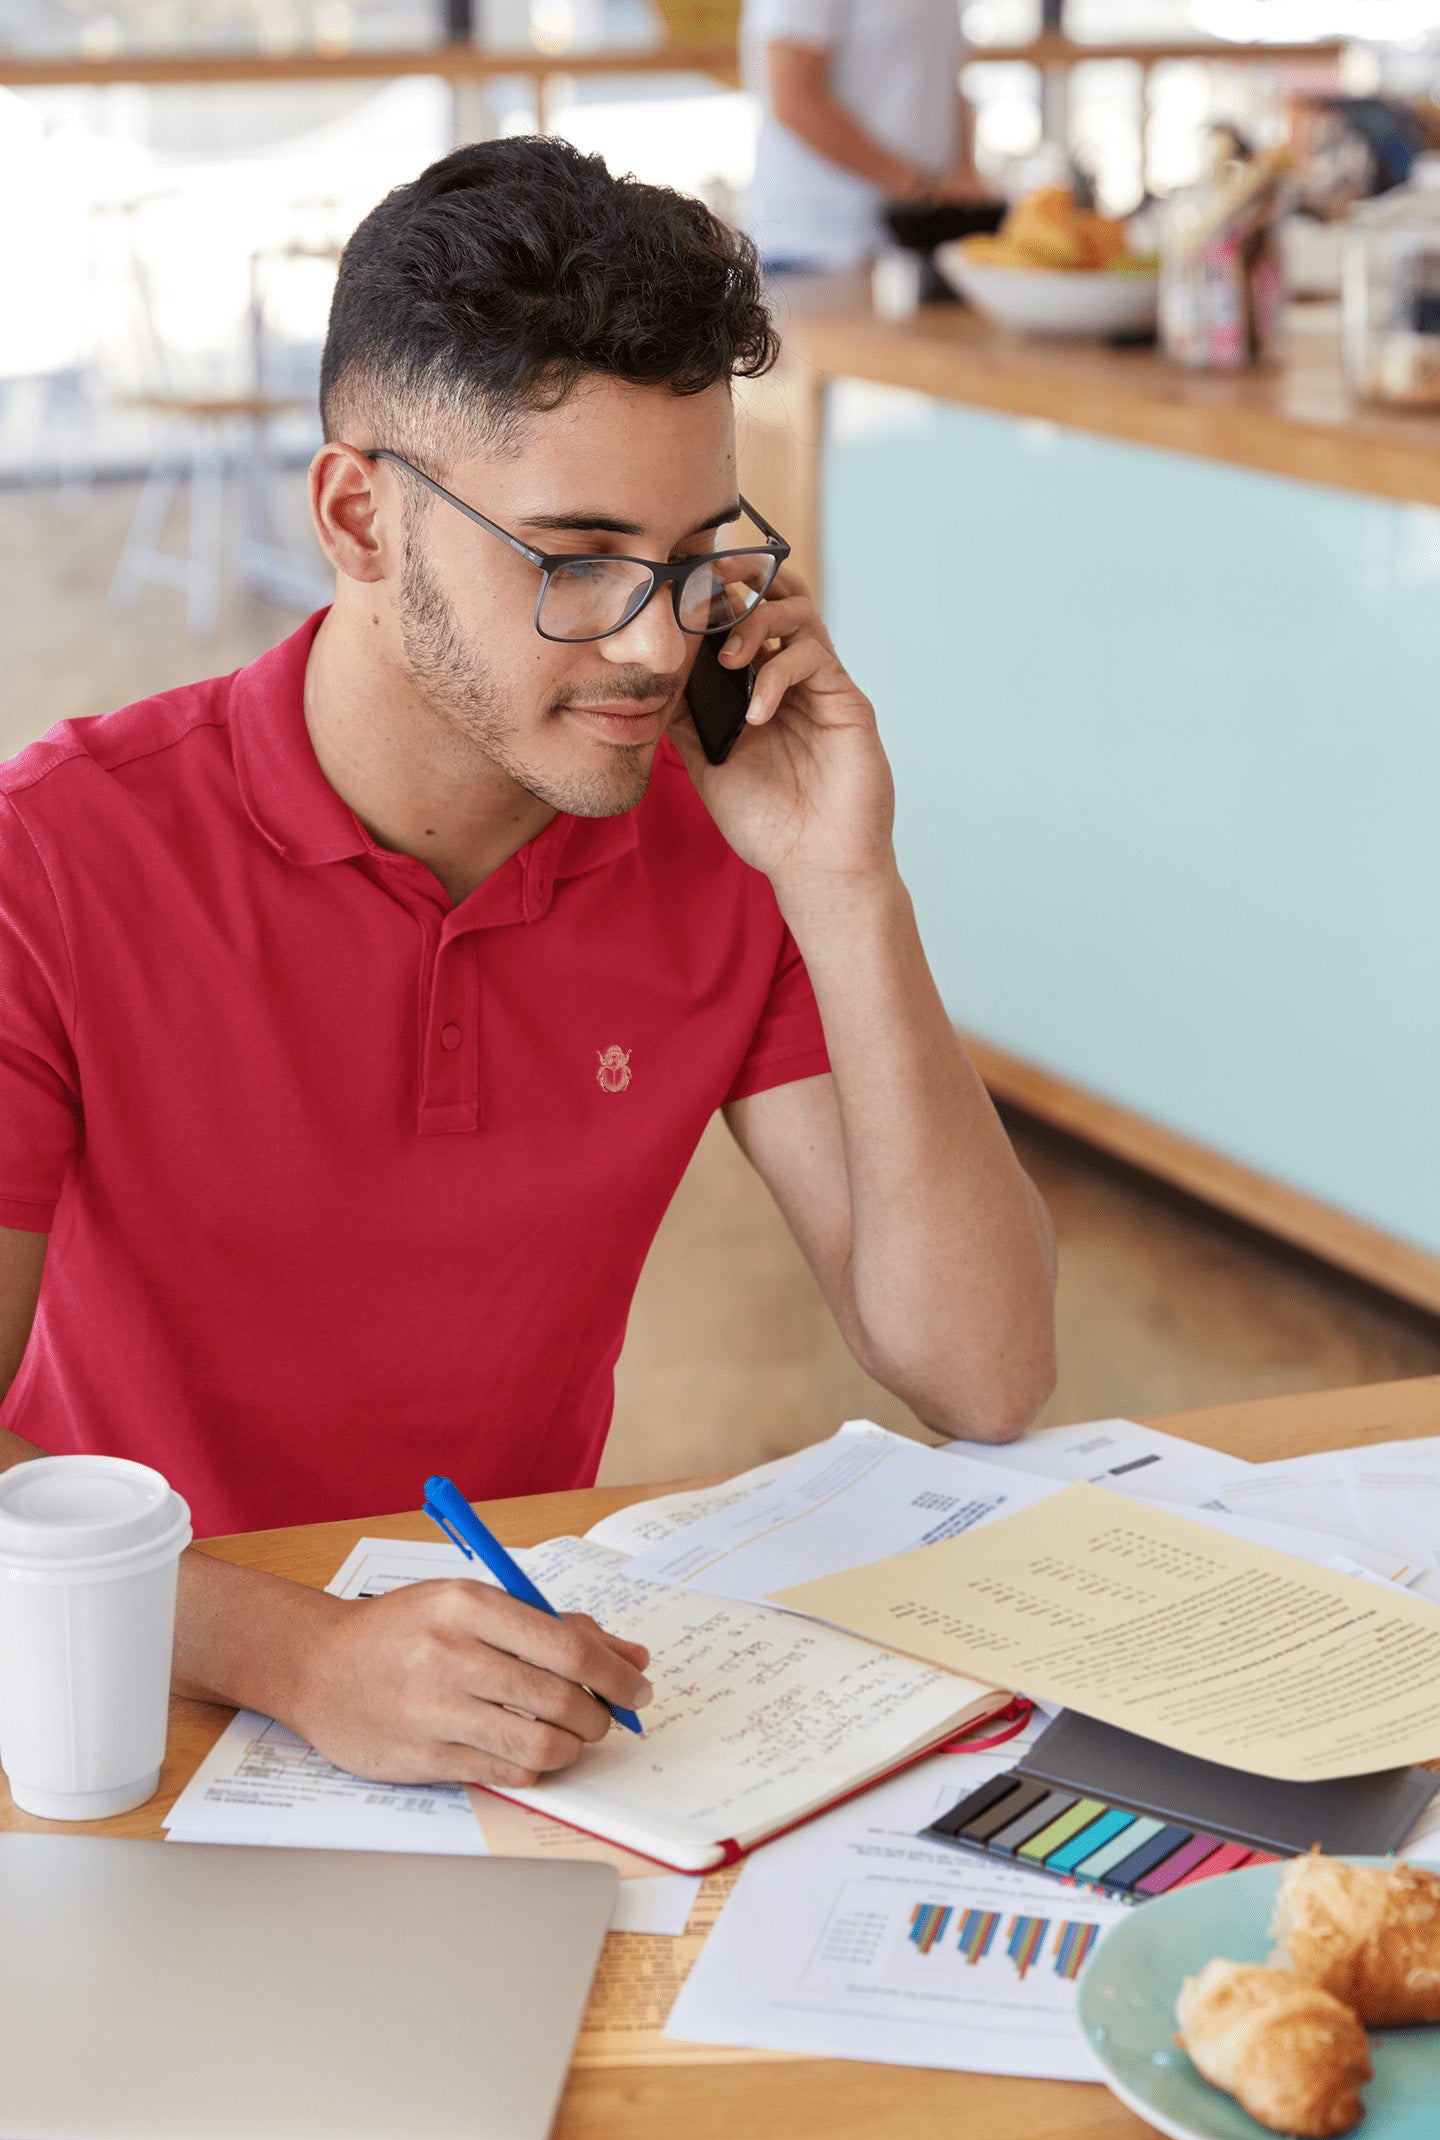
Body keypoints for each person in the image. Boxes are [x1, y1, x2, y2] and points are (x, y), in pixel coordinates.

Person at [0, 138, 1053, 1793]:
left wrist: (848, 880)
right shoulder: (51, 862)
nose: (654, 643)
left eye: (699, 553)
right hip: (126, 1702)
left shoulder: (714, 843)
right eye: (574, 557)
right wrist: (292, 1652)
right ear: (361, 516)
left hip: (514, 1703)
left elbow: (980, 1371)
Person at [741, 0, 984, 273]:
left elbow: (941, 78)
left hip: (918, 242)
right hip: (816, 248)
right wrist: (918, 188)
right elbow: (793, 99)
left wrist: (965, 171)